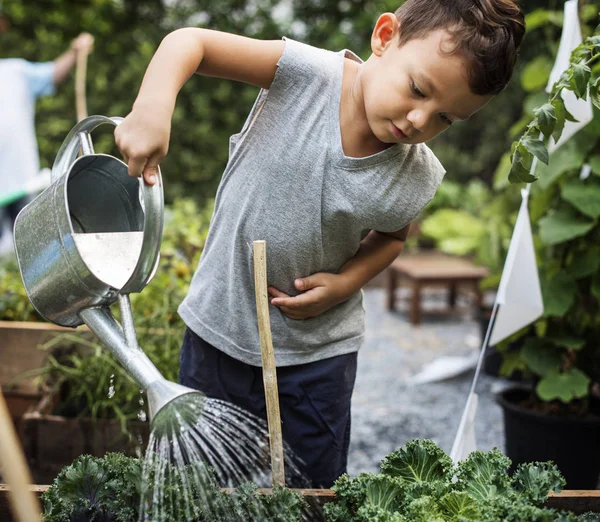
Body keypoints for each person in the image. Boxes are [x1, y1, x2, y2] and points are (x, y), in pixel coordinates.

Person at [115, 0, 525, 487]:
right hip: (218, 330)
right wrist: (152, 109)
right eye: (418, 89)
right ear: (384, 37)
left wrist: (345, 283)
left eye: (446, 119)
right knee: (202, 482)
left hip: (319, 356)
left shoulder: (416, 175)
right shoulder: (303, 74)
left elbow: (391, 239)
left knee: (316, 487)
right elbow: (191, 43)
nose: (419, 121)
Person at [0, 13, 93, 240]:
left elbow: (52, 73)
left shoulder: (15, 72)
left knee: (28, 245)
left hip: (21, 181)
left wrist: (75, 51)